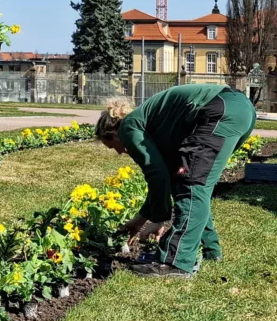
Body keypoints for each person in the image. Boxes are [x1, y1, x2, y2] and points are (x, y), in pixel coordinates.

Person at [94, 83, 256, 278]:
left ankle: (175, 262)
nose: (120, 152)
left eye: (113, 146)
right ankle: (212, 251)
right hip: (240, 110)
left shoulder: (128, 126)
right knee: (193, 185)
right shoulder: (153, 126)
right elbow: (164, 179)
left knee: (192, 185)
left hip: (220, 111)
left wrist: (159, 218)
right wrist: (140, 221)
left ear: (113, 133)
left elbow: (156, 173)